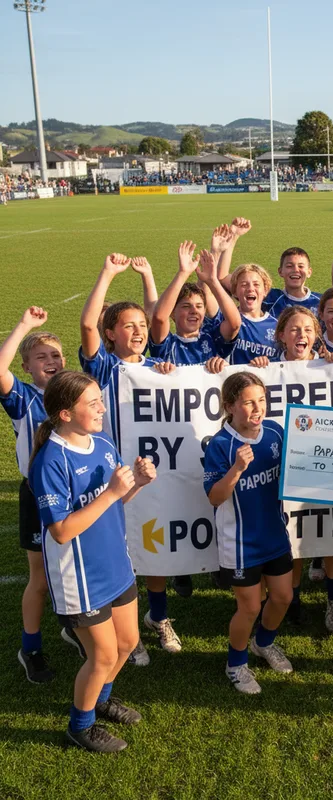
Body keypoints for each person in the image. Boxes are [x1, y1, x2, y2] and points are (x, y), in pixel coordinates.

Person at [29, 371, 158, 752]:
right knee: (101, 654)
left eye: (100, 400)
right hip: (80, 577)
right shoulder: (50, 461)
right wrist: (113, 492)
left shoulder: (101, 442)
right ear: (66, 414)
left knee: (128, 642)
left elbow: (118, 501)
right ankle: (79, 726)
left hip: (116, 563)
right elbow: (62, 531)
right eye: (93, 403)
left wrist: (137, 482)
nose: (102, 408)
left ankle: (100, 699)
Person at [79, 253, 178, 666]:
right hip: (112, 476)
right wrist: (108, 273)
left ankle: (160, 617)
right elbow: (86, 325)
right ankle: (128, 633)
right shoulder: (102, 367)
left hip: (151, 474)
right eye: (128, 326)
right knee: (122, 551)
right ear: (110, 333)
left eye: (142, 326)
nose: (137, 332)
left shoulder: (159, 366)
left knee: (152, 546)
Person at [204, 372, 294, 694]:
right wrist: (237, 469)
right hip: (240, 544)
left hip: (274, 534)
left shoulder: (275, 432)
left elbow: (298, 468)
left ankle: (263, 643)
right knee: (250, 607)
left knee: (284, 597)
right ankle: (236, 664)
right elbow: (215, 497)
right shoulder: (221, 445)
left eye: (261, 401)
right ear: (229, 406)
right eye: (247, 403)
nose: (257, 408)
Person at [0, 307, 66, 682]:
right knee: (40, 577)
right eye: (41, 357)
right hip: (37, 495)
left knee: (73, 567)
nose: (51, 361)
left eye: (56, 354)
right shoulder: (23, 398)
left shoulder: (74, 390)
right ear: (26, 367)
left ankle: (72, 626)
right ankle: (31, 648)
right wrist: (25, 325)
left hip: (75, 494)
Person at [274, 306, 333, 629]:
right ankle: (294, 599)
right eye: (293, 330)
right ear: (281, 336)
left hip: (328, 465)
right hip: (288, 467)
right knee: (295, 534)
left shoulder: (332, 368)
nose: (301, 335)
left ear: (317, 335)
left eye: (307, 330)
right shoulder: (269, 371)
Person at [148, 241, 240, 365]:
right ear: (172, 313)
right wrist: (183, 273)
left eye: (199, 306)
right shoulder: (167, 344)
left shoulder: (213, 339)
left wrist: (213, 282)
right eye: (186, 306)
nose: (194, 311)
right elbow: (159, 318)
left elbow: (234, 324)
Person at [263, 247, 321, 316]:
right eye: (289, 266)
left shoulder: (321, 301)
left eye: (301, 266)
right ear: (280, 271)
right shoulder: (270, 298)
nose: (295, 270)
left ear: (309, 272)